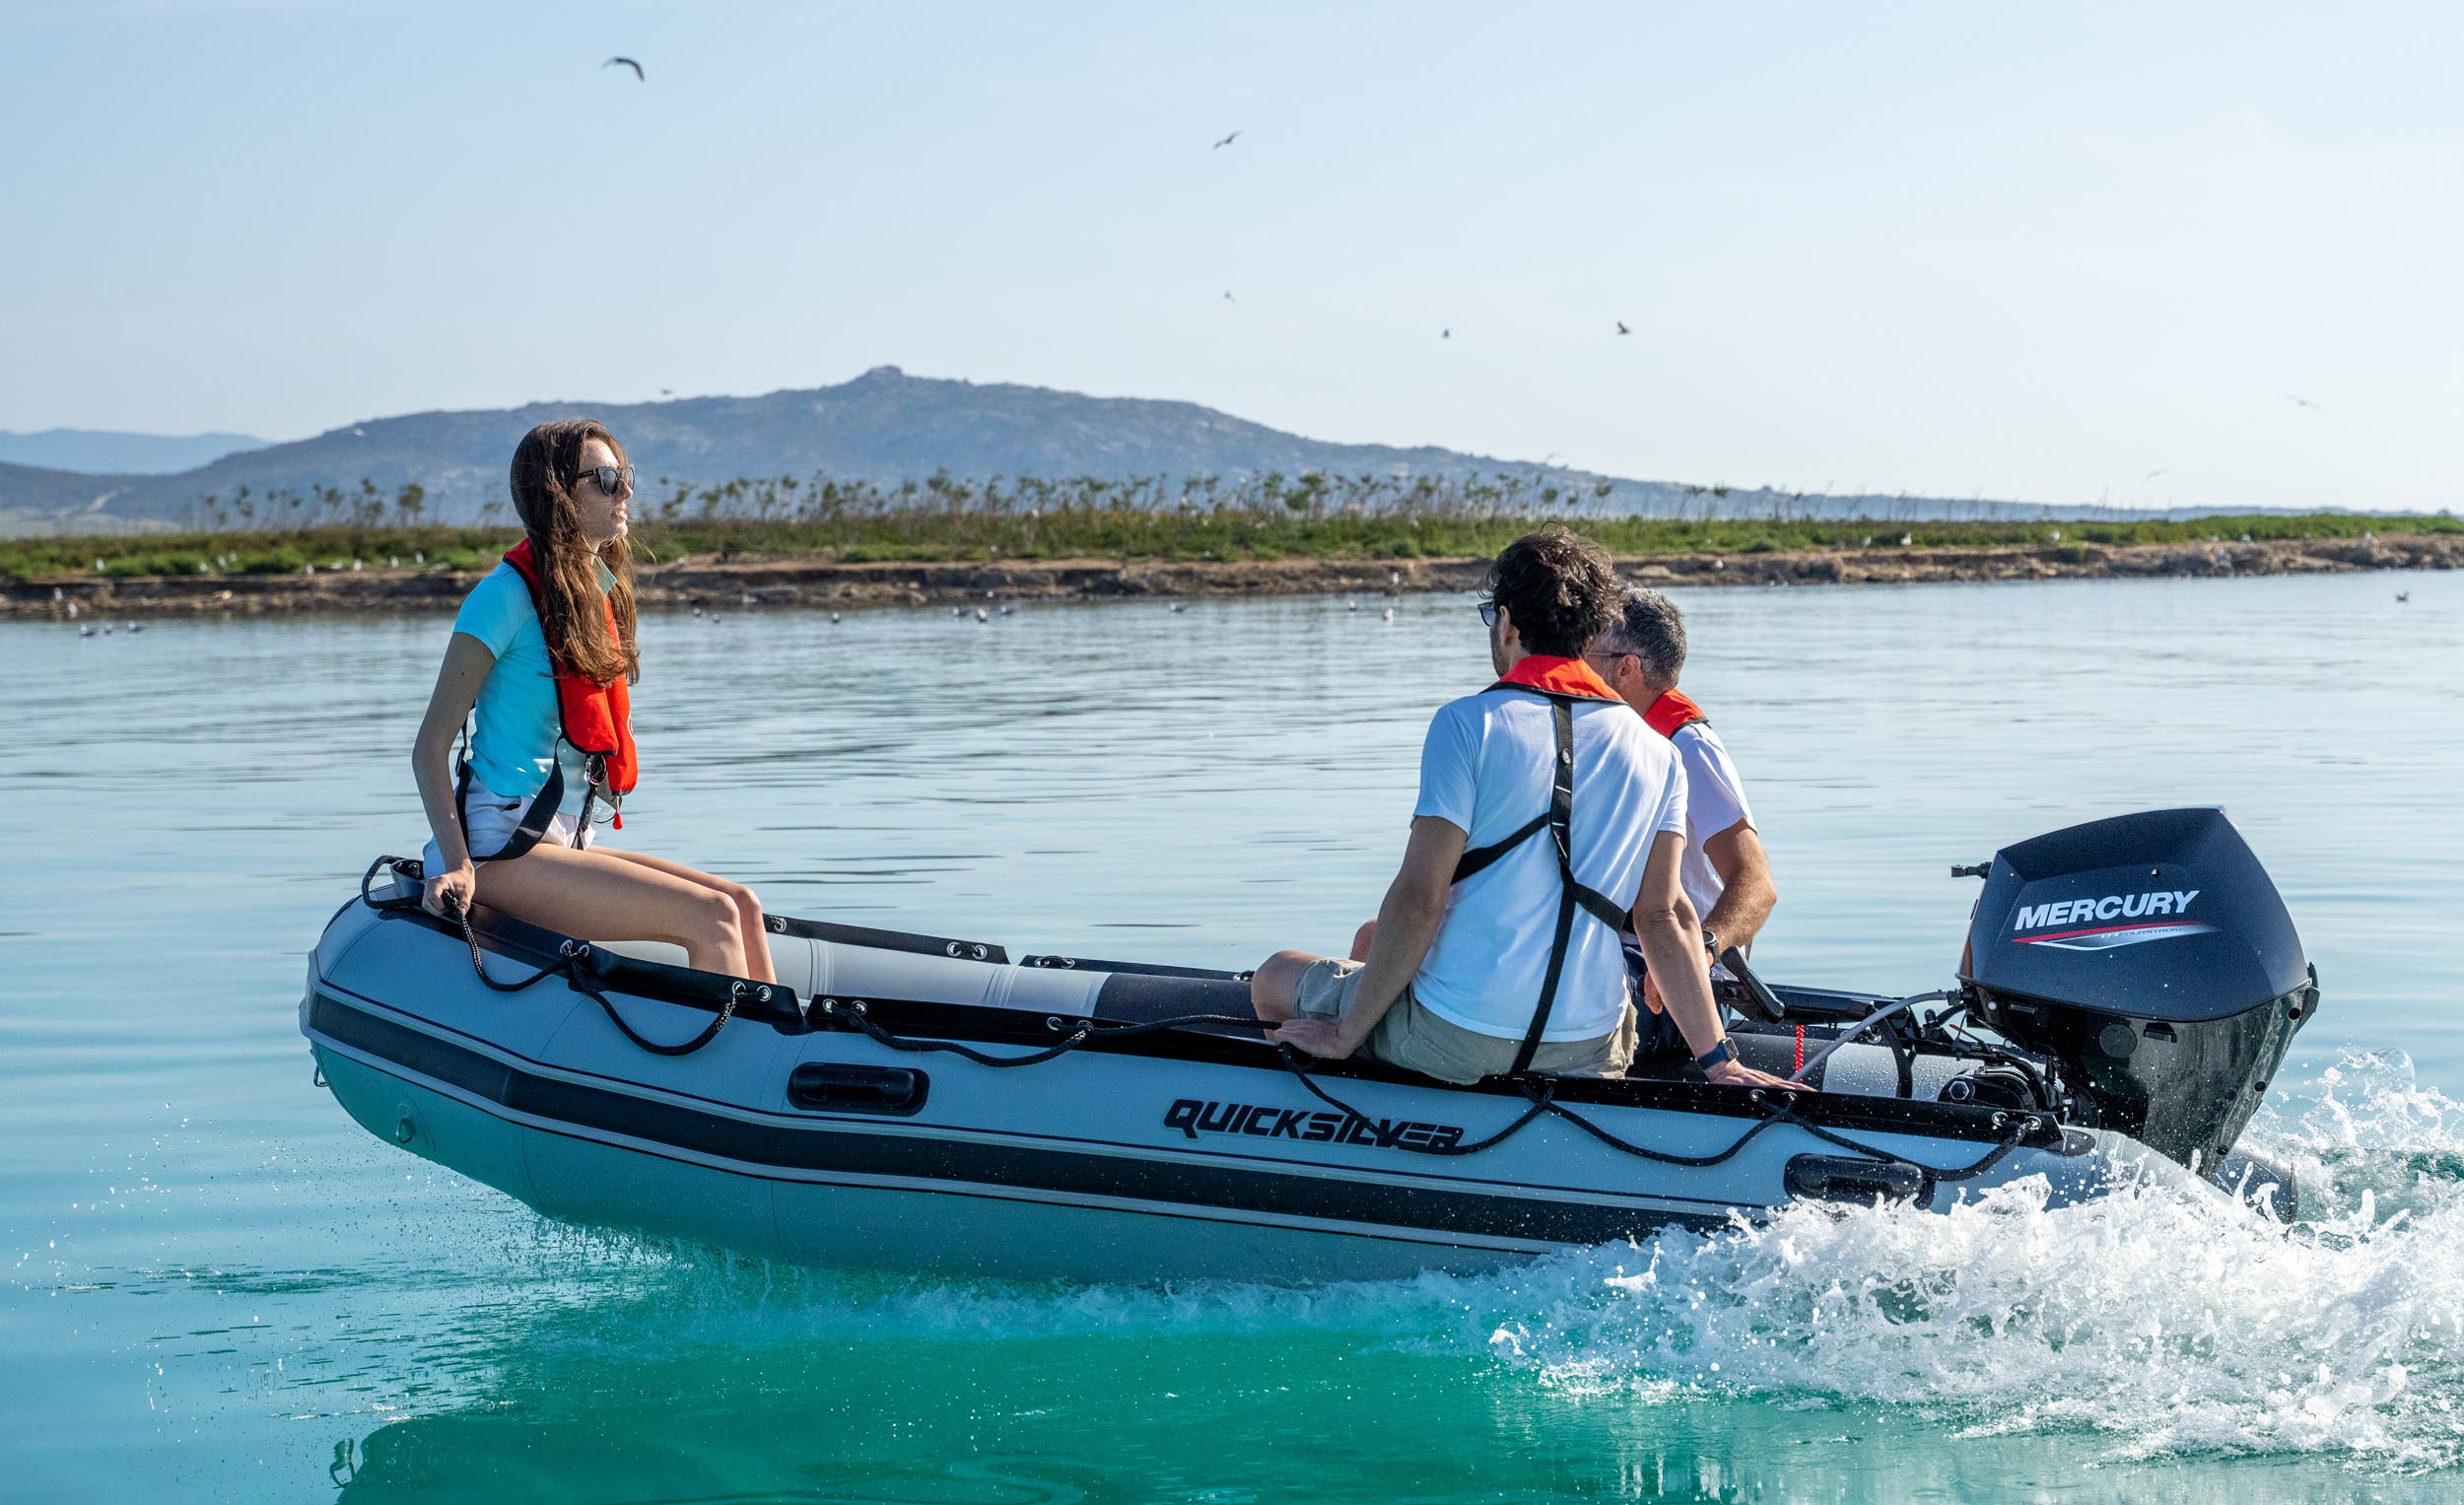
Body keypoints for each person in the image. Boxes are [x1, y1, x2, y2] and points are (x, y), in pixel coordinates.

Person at [1251, 527, 1799, 1091]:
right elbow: (1664, 917)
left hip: (1455, 1037)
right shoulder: (1660, 753)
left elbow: (1419, 899)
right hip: (1590, 1047)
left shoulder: (1466, 723)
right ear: (1592, 632)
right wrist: (1720, 1063)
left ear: (1508, 623)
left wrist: (1346, 1033)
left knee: (1274, 975)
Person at [412, 419, 776, 983]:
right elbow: (430, 748)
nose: (625, 490)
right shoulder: (502, 598)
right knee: (711, 917)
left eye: (625, 475)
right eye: (606, 479)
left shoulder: (591, 593)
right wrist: (458, 864)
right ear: (557, 493)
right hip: (501, 846)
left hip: (566, 838)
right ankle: (737, 1041)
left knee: (743, 906)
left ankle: (772, 1037)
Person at [1584, 587, 1776, 975]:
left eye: (1587, 653)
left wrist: (1700, 953)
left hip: (1676, 977)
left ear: (1627, 668)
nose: (1576, 664)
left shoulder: (1690, 748)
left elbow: (1757, 885)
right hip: (1618, 963)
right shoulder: (1608, 737)